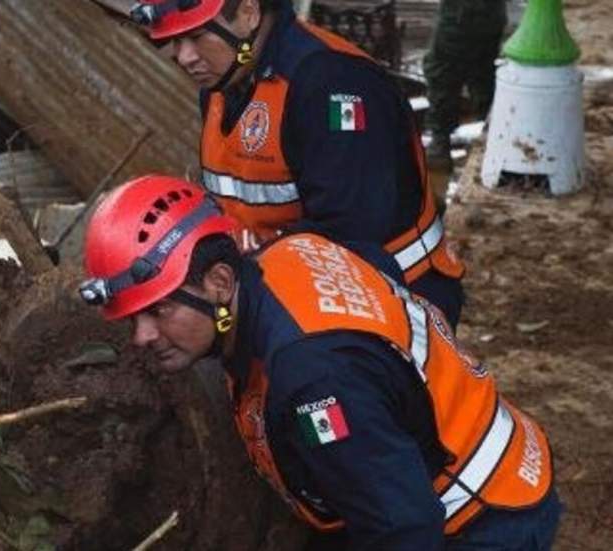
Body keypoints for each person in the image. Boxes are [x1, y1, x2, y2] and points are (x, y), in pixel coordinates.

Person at [79, 175, 560, 551]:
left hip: (480, 519)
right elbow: (380, 267)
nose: (142, 336)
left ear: (220, 282)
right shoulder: (291, 251)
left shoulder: (313, 381)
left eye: (159, 311)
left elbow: (405, 527)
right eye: (132, 318)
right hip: (457, 466)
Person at [129, 0, 467, 327]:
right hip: (292, 289)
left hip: (394, 299)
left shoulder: (333, 85)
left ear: (249, 12)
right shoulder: (225, 81)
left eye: (198, 36)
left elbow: (353, 229)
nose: (184, 56)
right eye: (175, 41)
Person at [423, 0, 508, 172]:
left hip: (461, 16)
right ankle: (493, 136)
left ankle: (440, 144)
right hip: (492, 14)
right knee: (483, 72)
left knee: (442, 73)